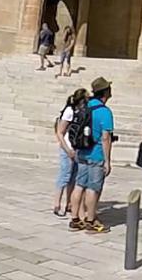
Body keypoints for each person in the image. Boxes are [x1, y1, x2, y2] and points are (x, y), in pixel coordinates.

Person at [68, 76, 114, 234]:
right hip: (96, 153)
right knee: (93, 188)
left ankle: (75, 219)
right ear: (106, 92)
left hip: (82, 151)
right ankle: (90, 221)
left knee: (79, 185)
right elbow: (106, 137)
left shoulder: (85, 106)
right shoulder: (104, 112)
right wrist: (108, 161)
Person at [53, 87, 88, 217]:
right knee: (65, 176)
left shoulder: (82, 111)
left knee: (74, 177)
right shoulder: (69, 111)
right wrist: (67, 149)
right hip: (67, 148)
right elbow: (60, 132)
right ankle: (57, 204)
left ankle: (69, 203)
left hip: (77, 148)